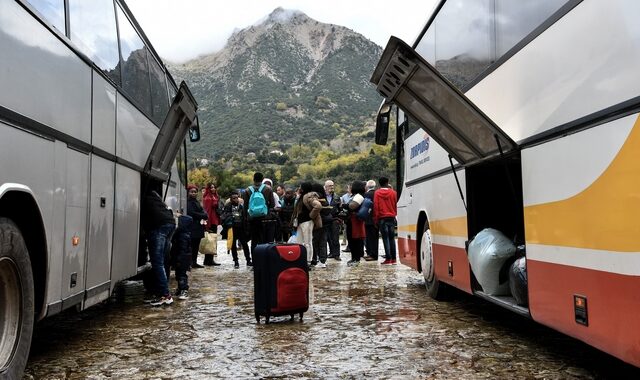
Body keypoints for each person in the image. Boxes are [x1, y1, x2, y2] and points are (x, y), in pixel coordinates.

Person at [141, 189, 176, 306]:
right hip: (170, 224)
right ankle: (163, 293)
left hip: (158, 227)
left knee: (157, 262)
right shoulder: (155, 198)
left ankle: (165, 295)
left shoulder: (143, 197)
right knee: (163, 261)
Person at [242, 172, 276, 264]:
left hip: (252, 219)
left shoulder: (247, 190)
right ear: (262, 179)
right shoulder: (268, 189)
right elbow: (272, 204)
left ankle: (255, 261)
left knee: (254, 241)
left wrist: (246, 219)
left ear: (253, 179)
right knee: (264, 240)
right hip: (265, 218)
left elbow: (245, 207)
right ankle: (264, 260)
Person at [220, 191, 251, 268]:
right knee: (233, 246)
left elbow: (245, 217)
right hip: (232, 229)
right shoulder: (228, 206)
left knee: (244, 244)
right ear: (231, 199)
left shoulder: (241, 206)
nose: (236, 199)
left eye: (237, 198)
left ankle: (248, 260)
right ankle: (236, 261)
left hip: (241, 228)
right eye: (234, 198)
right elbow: (224, 217)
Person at [166, 213, 192, 299]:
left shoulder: (183, 236)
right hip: (181, 258)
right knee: (179, 274)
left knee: (181, 275)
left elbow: (183, 249)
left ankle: (183, 290)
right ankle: (181, 289)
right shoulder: (184, 234)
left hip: (182, 259)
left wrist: (179, 259)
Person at [374, 177, 398, 265]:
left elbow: (376, 207)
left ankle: (388, 259)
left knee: (385, 238)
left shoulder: (377, 193)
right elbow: (396, 204)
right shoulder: (393, 193)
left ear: (379, 183)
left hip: (382, 218)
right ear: (388, 182)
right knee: (392, 238)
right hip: (391, 217)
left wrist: (376, 219)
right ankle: (394, 259)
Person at [292, 182, 316, 263]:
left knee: (308, 242)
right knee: (299, 242)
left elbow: (317, 206)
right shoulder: (301, 197)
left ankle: (308, 261)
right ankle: (301, 259)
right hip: (300, 222)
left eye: (301, 187)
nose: (299, 188)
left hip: (307, 222)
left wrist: (311, 216)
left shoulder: (309, 196)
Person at [187, 184, 208, 269]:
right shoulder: (188, 202)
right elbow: (191, 213)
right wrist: (203, 215)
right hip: (192, 226)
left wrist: (204, 215)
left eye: (195, 192)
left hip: (198, 226)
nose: (194, 193)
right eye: (192, 192)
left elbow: (203, 211)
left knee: (196, 245)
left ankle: (194, 262)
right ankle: (190, 262)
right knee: (191, 245)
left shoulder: (196, 201)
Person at [346, 180, 366, 267]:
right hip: (353, 220)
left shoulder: (358, 196)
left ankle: (356, 259)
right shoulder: (356, 196)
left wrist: (344, 205)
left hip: (355, 221)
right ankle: (354, 258)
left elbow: (352, 206)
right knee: (352, 240)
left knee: (355, 240)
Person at [202, 183, 221, 266]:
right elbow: (207, 212)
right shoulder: (208, 199)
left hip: (214, 221)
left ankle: (210, 260)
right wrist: (207, 224)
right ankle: (208, 260)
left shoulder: (214, 197)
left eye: (214, 187)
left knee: (212, 241)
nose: (213, 189)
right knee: (210, 241)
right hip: (211, 221)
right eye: (211, 187)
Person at [311, 183, 329, 268]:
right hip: (325, 223)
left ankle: (314, 259)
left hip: (316, 222)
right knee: (323, 242)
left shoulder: (314, 198)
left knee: (314, 242)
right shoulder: (324, 198)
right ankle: (323, 260)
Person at [324, 180, 341, 261]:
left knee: (335, 237)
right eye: (330, 185)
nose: (332, 187)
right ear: (325, 187)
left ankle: (337, 254)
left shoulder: (337, 197)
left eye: (333, 185)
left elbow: (340, 209)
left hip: (335, 219)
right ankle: (331, 252)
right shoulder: (322, 197)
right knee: (328, 237)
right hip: (325, 219)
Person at [363, 180, 379, 261]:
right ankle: (373, 254)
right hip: (376, 218)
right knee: (375, 238)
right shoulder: (377, 193)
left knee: (370, 238)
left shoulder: (367, 194)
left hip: (368, 219)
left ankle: (372, 254)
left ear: (367, 186)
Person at [340, 184, 353, 252]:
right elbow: (341, 205)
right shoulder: (344, 196)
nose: (348, 189)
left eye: (349, 188)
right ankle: (347, 243)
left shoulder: (354, 196)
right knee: (346, 230)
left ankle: (350, 246)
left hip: (352, 215)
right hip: (346, 216)